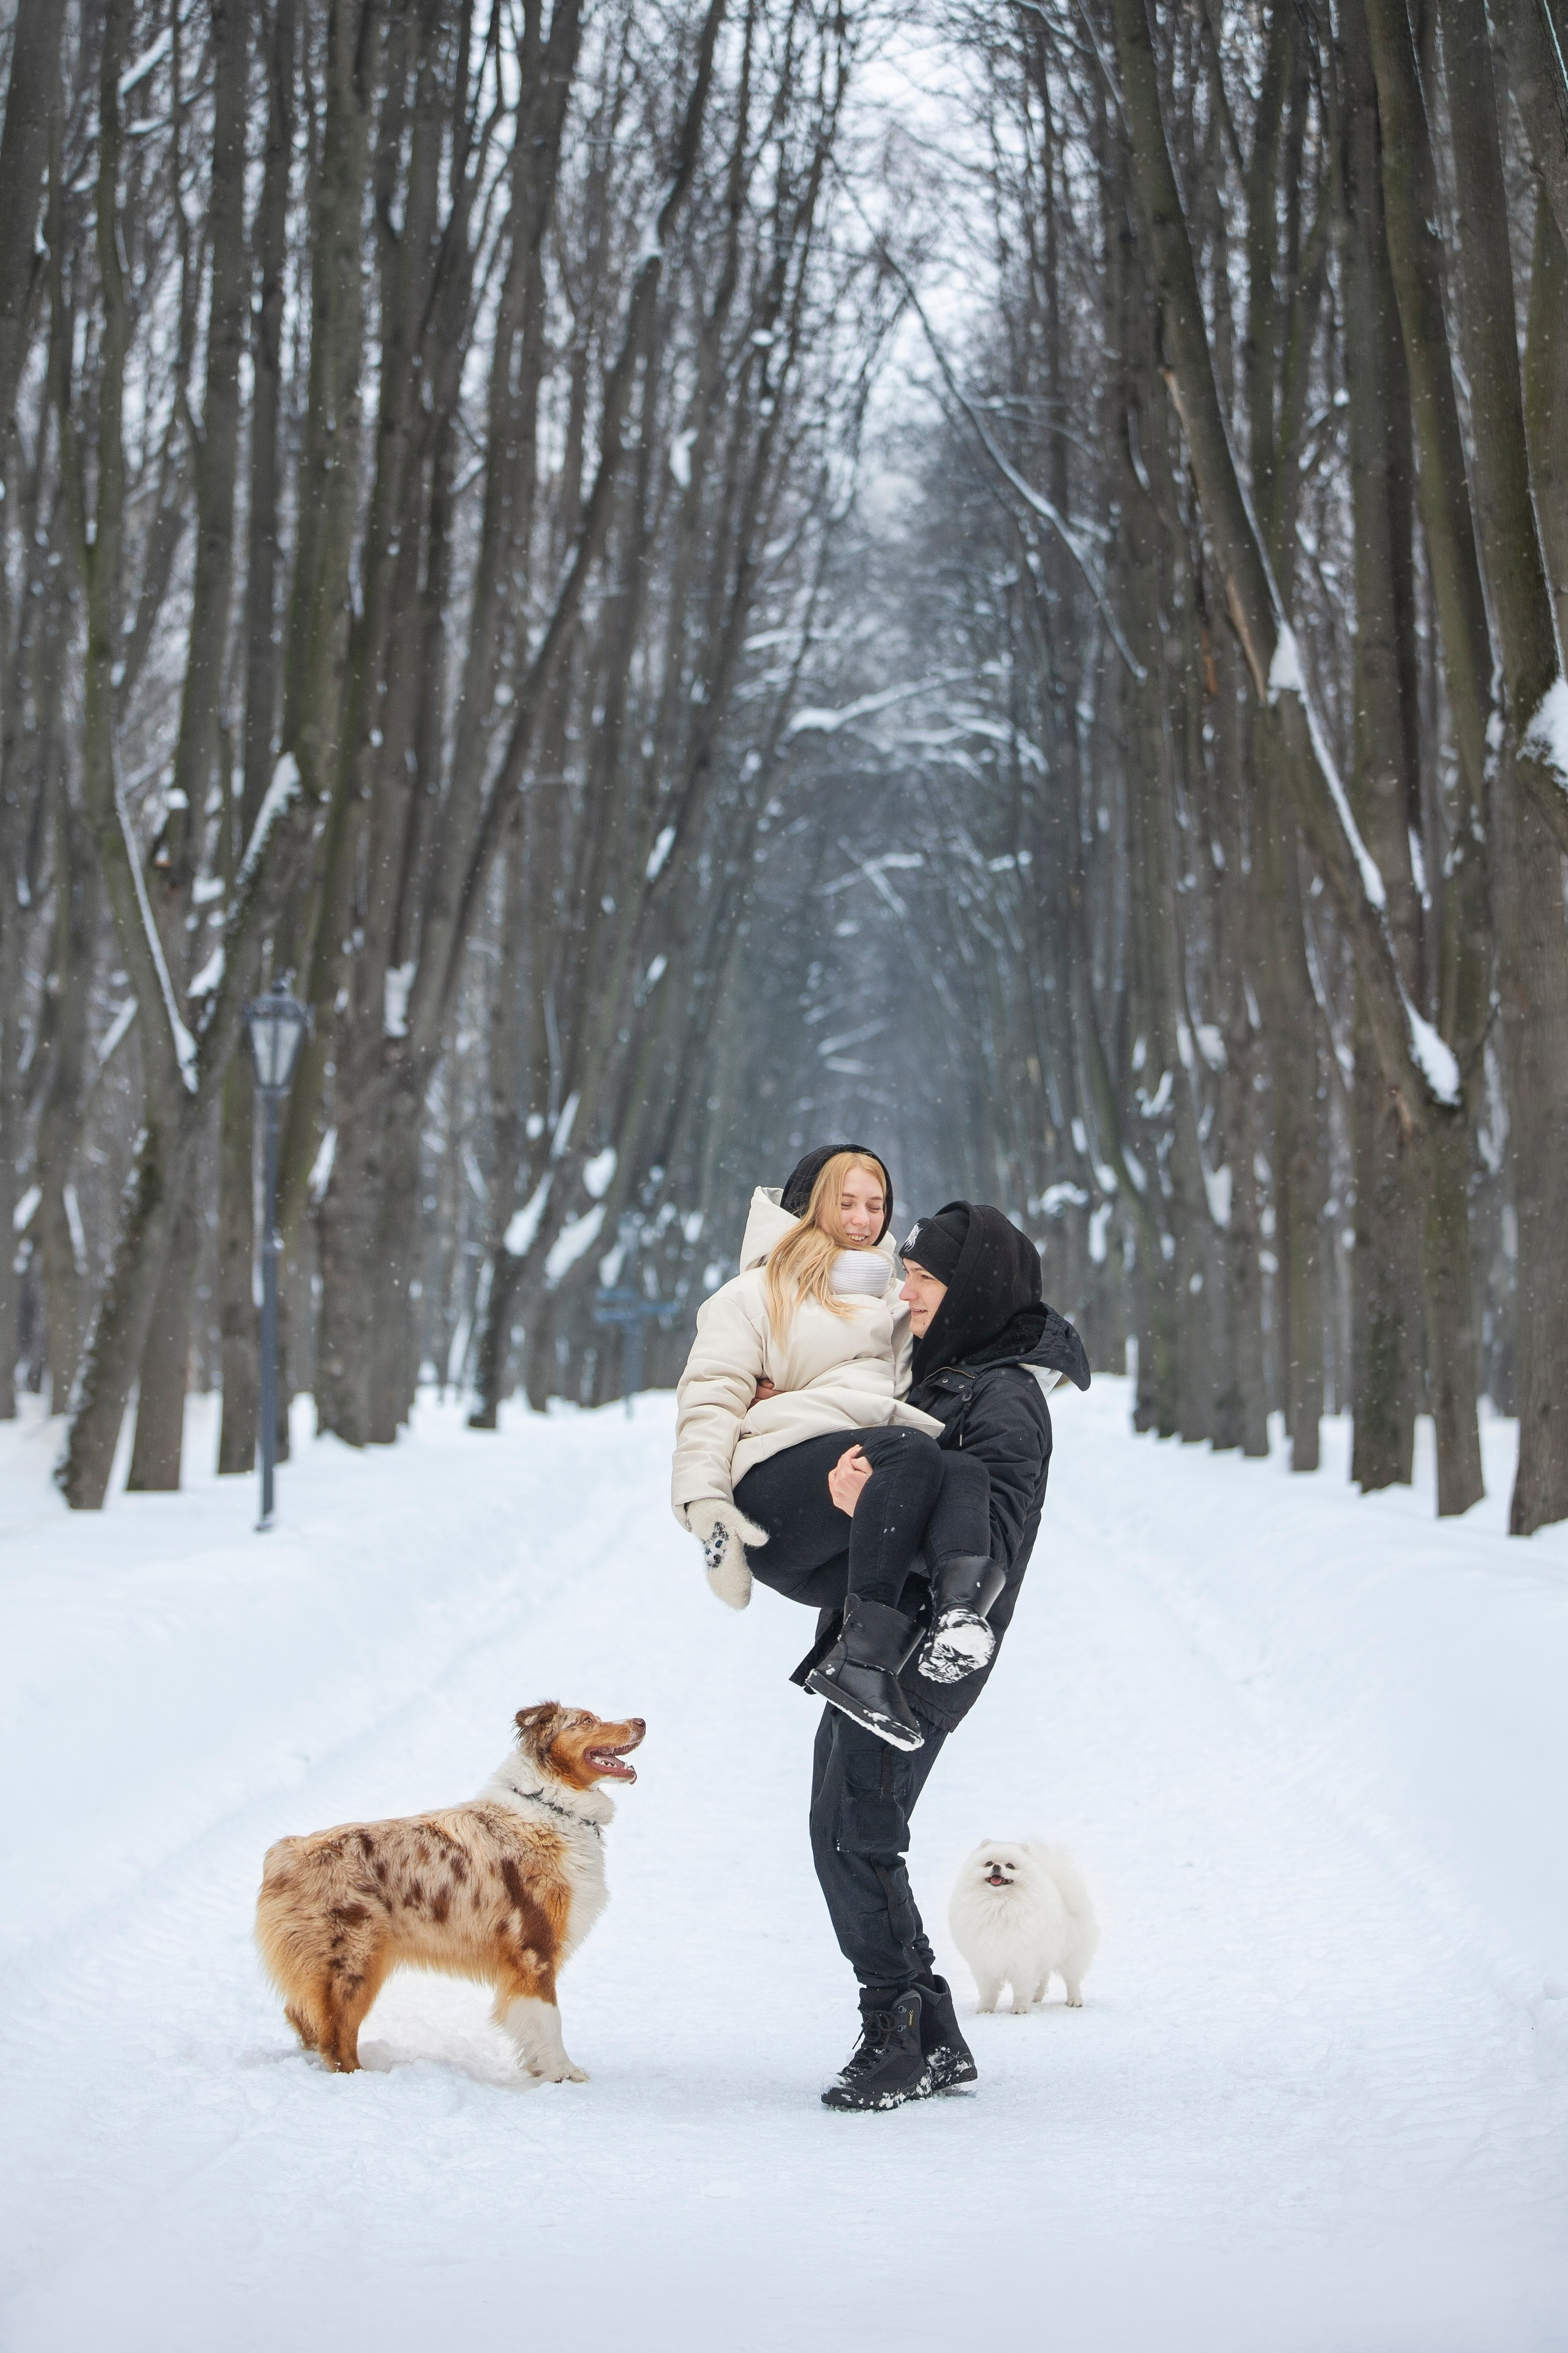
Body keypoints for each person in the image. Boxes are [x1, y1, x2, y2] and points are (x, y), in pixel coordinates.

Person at [671, 1147, 994, 1748]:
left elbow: (980, 1342)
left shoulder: (899, 1300)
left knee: (964, 1472)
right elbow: (709, 1401)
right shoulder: (754, 1295)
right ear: (809, 1207)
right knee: (911, 1452)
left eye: (875, 1205)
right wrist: (707, 1508)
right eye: (844, 1203)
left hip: (847, 1533)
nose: (861, 1219)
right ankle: (861, 1664)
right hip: (774, 1503)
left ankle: (956, 1620)